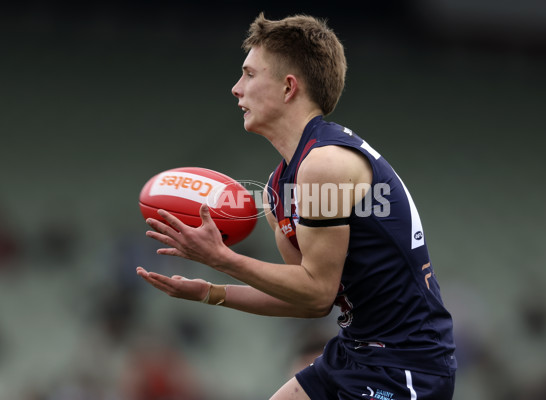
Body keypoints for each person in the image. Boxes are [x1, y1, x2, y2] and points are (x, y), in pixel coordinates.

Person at [137, 12, 457, 400]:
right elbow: (305, 301)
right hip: (353, 353)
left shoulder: (325, 164)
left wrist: (221, 258)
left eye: (250, 74)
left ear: (289, 87)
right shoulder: (279, 188)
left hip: (406, 365)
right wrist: (209, 291)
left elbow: (318, 291)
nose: (236, 89)